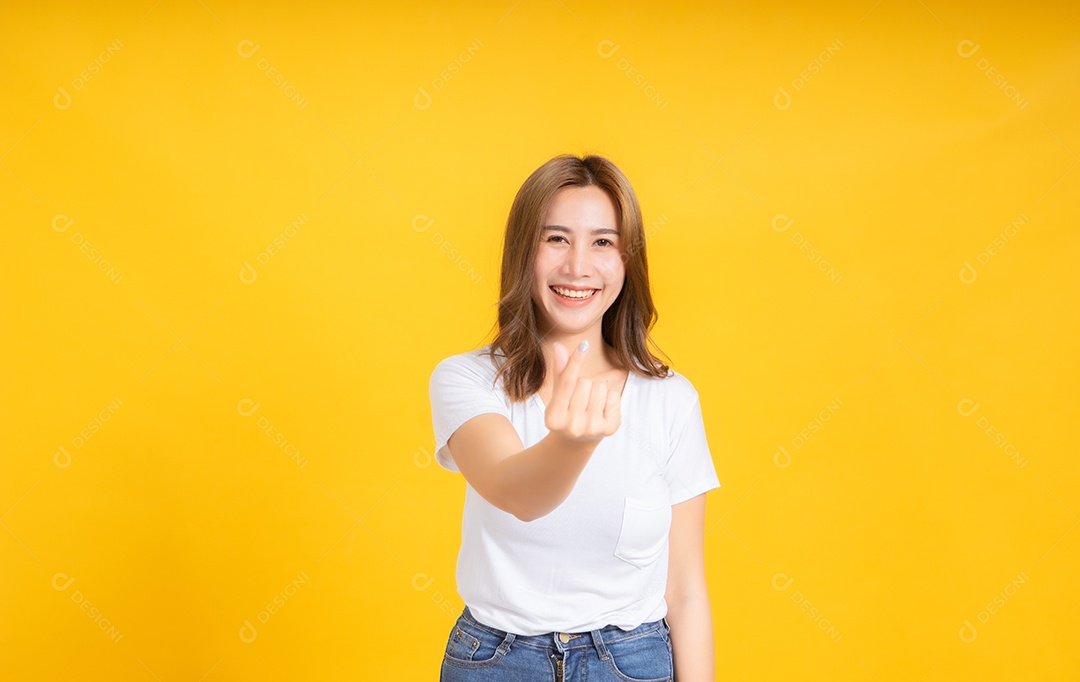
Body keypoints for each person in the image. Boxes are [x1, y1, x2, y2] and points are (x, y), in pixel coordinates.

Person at [428, 153, 721, 681]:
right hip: (495, 662)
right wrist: (570, 443)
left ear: (628, 262)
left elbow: (685, 590)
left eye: (603, 242)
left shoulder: (671, 399)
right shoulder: (466, 380)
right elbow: (516, 492)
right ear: (523, 252)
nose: (577, 267)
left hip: (632, 662)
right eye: (555, 238)